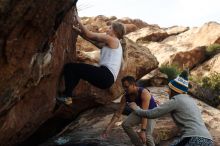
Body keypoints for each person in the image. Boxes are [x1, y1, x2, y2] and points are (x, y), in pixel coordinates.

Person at [129, 70, 214, 146]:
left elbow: (152, 114)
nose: (168, 92)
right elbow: (181, 110)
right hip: (208, 140)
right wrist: (163, 105)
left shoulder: (176, 100)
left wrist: (136, 109)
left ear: (173, 90)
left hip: (193, 138)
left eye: (169, 90)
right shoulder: (190, 100)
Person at [57, 14, 126, 105]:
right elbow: (92, 40)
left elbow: (89, 35)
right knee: (78, 72)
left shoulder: (112, 39)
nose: (107, 29)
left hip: (105, 75)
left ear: (114, 31)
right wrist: (80, 32)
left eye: (109, 28)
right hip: (107, 79)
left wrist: (79, 21)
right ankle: (67, 95)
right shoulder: (114, 43)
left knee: (69, 67)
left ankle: (67, 96)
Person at [102, 76, 157, 146]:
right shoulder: (125, 97)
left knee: (147, 136)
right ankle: (139, 144)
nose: (125, 89)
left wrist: (142, 131)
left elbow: (145, 114)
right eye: (123, 87)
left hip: (151, 113)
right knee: (125, 124)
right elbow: (118, 113)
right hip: (140, 111)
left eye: (126, 87)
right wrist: (108, 128)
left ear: (133, 85)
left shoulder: (144, 93)